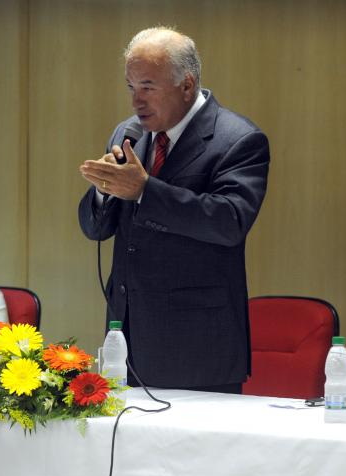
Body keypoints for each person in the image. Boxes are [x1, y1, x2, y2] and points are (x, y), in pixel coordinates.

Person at [78, 27, 269, 393]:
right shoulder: (127, 134)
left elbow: (229, 221)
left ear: (186, 85)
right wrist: (105, 192)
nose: (136, 101)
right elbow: (96, 228)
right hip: (127, 337)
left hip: (197, 347)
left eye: (148, 86)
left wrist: (145, 190)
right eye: (131, 87)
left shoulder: (238, 139)